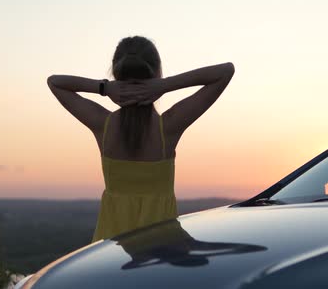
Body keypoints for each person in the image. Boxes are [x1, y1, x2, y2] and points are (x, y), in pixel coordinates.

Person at [47, 35, 235, 243]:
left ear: (116, 74)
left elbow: (55, 82)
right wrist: (164, 85)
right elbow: (225, 71)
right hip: (159, 252)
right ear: (156, 73)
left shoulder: (103, 125)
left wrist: (104, 88)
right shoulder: (168, 128)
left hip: (108, 251)